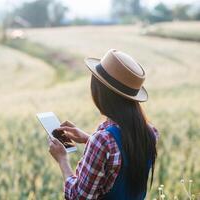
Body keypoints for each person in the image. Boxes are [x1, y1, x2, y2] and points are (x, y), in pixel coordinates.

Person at [47, 49, 159, 200]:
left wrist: (62, 160)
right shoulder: (150, 133)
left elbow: (79, 197)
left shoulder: (102, 141)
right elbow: (121, 155)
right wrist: (88, 138)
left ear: (100, 92)